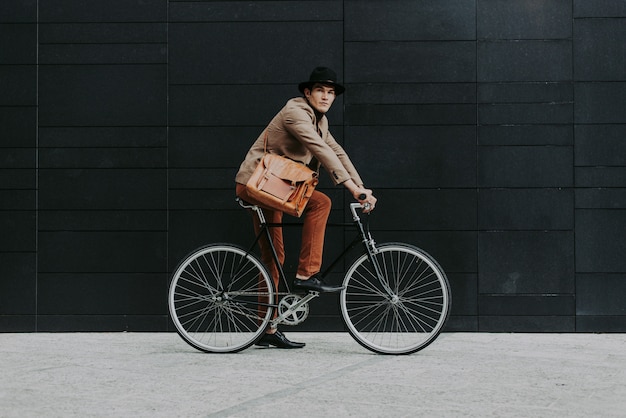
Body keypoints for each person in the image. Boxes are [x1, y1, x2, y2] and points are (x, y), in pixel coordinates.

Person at [235, 67, 377, 348]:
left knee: (273, 257)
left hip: (275, 186)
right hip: (257, 183)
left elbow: (337, 152)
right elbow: (320, 151)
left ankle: (268, 329)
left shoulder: (320, 122)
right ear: (307, 92)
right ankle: (306, 274)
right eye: (321, 91)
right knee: (321, 202)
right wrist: (351, 188)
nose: (326, 96)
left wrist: (363, 188)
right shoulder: (295, 113)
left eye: (331, 92)